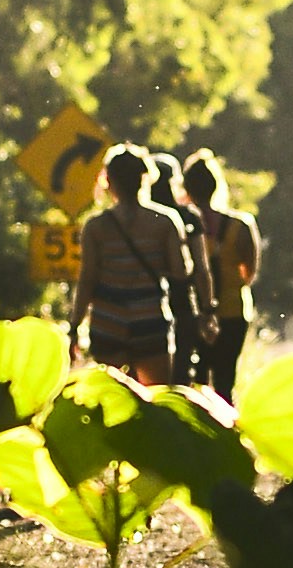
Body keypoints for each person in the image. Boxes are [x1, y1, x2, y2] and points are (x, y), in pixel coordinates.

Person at [69, 140, 199, 385]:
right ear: (145, 178)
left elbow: (87, 280)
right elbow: (180, 272)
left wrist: (74, 326)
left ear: (109, 181)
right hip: (150, 320)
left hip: (107, 321)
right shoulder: (166, 221)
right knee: (155, 399)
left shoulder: (96, 227)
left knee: (111, 400)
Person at [173, 148, 260, 398]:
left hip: (194, 313)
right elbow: (249, 273)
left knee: (195, 385)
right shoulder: (241, 226)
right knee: (224, 383)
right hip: (233, 312)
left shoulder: (180, 225)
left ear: (186, 188)